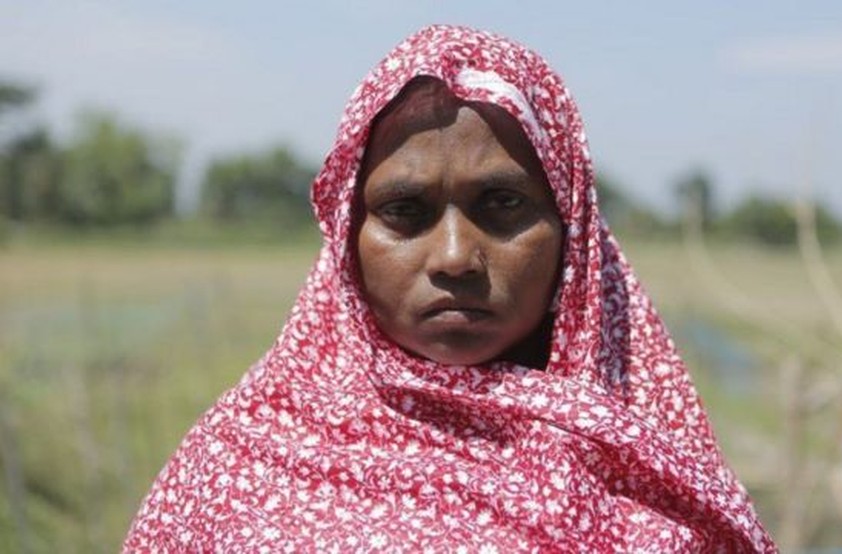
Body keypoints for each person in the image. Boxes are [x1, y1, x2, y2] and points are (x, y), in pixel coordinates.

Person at [124, 25, 776, 552]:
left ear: (571, 232)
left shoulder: (652, 470)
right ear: (346, 241)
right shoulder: (242, 462)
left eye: (503, 204)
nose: (457, 257)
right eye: (404, 212)